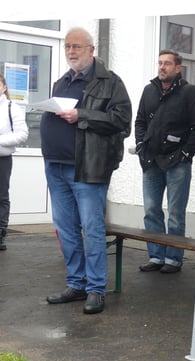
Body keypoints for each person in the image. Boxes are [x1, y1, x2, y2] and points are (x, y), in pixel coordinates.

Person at [42, 27, 132, 314]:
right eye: (68, 46)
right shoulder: (62, 82)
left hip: (88, 168)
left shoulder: (110, 82)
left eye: (77, 47)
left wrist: (82, 115)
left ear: (91, 50)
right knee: (66, 229)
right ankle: (76, 284)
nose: (71, 52)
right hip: (55, 166)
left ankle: (95, 289)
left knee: (92, 230)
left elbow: (122, 121)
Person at [135, 49, 195, 274]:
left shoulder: (189, 92)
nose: (162, 67)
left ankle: (174, 259)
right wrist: (141, 146)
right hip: (151, 162)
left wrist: (187, 153)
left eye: (167, 63)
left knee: (176, 214)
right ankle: (156, 256)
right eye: (160, 63)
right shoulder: (149, 90)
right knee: (151, 211)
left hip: (178, 163)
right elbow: (139, 121)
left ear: (178, 68)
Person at [0, 75, 29, 251]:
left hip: (2, 159)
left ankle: (1, 232)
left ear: (4, 87)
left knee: (1, 196)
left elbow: (22, 134)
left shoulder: (12, 108)